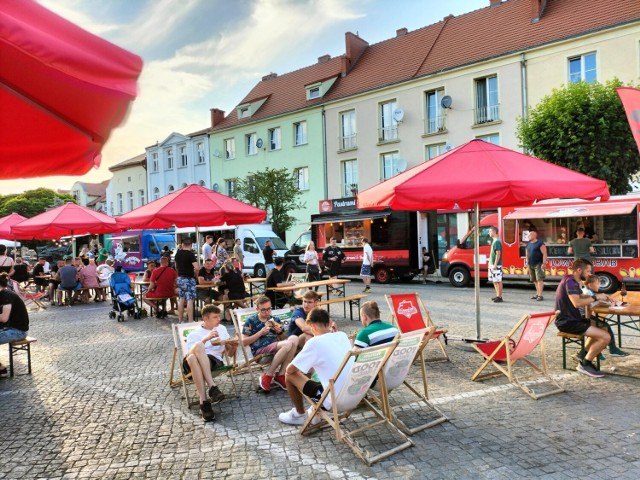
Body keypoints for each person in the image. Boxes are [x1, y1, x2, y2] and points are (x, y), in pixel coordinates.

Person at [278, 307, 352, 425]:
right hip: (354, 394)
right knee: (325, 377)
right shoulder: (342, 335)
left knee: (289, 374)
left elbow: (291, 369)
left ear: (313, 326)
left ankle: (299, 414)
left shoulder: (315, 342)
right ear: (328, 323)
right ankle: (314, 412)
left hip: (335, 401)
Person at [555, 258, 611, 378]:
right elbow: (577, 303)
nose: (590, 274)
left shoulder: (571, 280)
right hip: (567, 322)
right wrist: (596, 298)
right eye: (588, 271)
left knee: (603, 328)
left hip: (572, 319)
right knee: (606, 337)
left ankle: (582, 354)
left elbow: (580, 296)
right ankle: (585, 364)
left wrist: (599, 296)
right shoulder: (570, 282)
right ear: (579, 270)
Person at [183, 305, 237, 421]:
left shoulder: (222, 329)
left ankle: (204, 403)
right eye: (215, 317)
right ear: (205, 318)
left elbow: (230, 354)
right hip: (189, 365)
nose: (219, 319)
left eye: (219, 316)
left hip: (214, 360)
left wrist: (233, 345)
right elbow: (188, 354)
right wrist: (206, 339)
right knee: (196, 350)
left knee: (194, 359)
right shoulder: (194, 334)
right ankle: (212, 387)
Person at [242, 295, 299, 392]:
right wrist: (260, 333)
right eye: (263, 310)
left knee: (294, 338)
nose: (267, 312)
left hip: (277, 349)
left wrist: (279, 332)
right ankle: (268, 374)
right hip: (260, 351)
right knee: (287, 344)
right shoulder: (250, 321)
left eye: (269, 309)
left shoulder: (275, 320)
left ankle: (280, 375)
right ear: (257, 309)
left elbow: (285, 339)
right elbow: (244, 342)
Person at [582, 275, 629, 358]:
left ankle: (606, 349)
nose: (599, 285)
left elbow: (593, 303)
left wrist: (604, 301)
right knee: (604, 326)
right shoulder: (587, 293)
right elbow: (588, 308)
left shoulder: (588, 291)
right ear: (590, 285)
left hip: (586, 317)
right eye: (598, 283)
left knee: (604, 325)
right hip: (584, 318)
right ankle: (609, 349)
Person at [0, 273, 29, 376]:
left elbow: (3, 318)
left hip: (18, 331)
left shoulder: (7, 295)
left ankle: (1, 368)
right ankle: (1, 368)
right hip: (7, 328)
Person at [175, 238, 198, 323]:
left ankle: (180, 320)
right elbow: (197, 267)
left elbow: (176, 267)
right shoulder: (190, 254)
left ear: (183, 244)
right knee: (190, 299)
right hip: (188, 278)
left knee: (181, 299)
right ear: (191, 245)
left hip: (180, 278)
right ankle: (190, 321)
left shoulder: (178, 254)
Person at [525, 228, 547, 301]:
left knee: (539, 279)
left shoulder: (540, 243)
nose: (528, 236)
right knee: (534, 280)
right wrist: (527, 263)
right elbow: (527, 254)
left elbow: (544, 253)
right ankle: (537, 294)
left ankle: (540, 295)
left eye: (529, 235)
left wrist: (544, 263)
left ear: (534, 235)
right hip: (531, 264)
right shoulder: (528, 244)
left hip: (539, 263)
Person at [488, 226, 503, 303]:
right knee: (494, 280)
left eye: (490, 231)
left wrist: (495, 264)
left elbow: (498, 254)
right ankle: (497, 295)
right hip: (492, 264)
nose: (489, 233)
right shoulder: (494, 241)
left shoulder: (497, 241)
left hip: (496, 265)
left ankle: (500, 296)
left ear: (494, 232)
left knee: (498, 280)